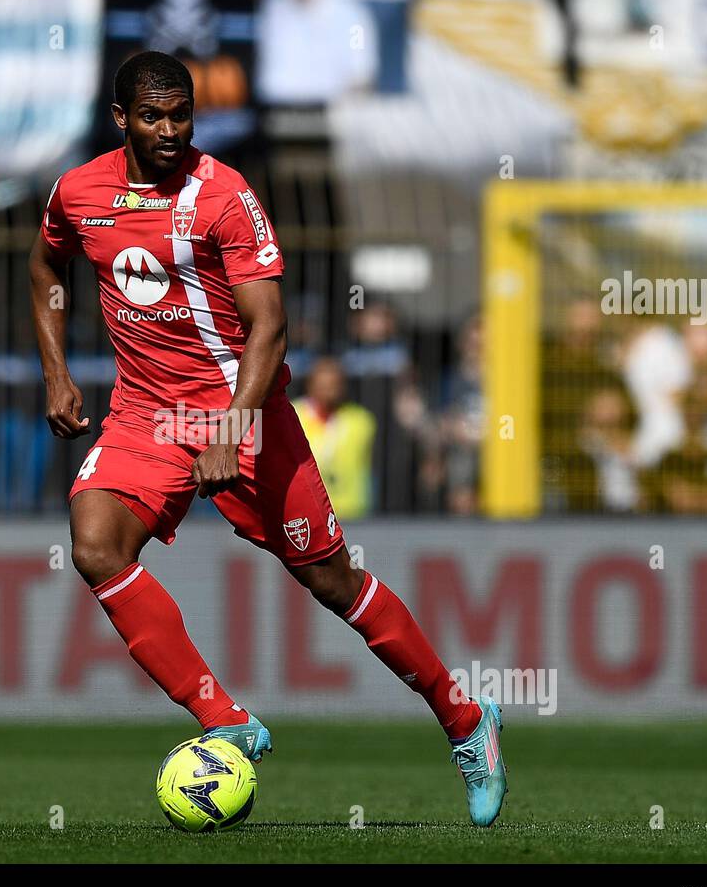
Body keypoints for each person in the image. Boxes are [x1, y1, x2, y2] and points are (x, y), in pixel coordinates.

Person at [28, 51, 506, 826]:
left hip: (243, 414)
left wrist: (231, 428)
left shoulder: (224, 195)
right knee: (95, 545)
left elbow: (270, 327)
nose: (171, 129)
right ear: (121, 119)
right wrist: (55, 370)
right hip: (147, 416)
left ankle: (464, 719)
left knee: (332, 582)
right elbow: (45, 264)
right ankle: (225, 722)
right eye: (153, 116)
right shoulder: (78, 192)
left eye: (181, 114)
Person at [292, 356, 376, 520]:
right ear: (310, 385)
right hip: (308, 513)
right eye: (324, 386)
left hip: (352, 512)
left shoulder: (361, 420)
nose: (330, 392)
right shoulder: (294, 415)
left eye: (334, 385)